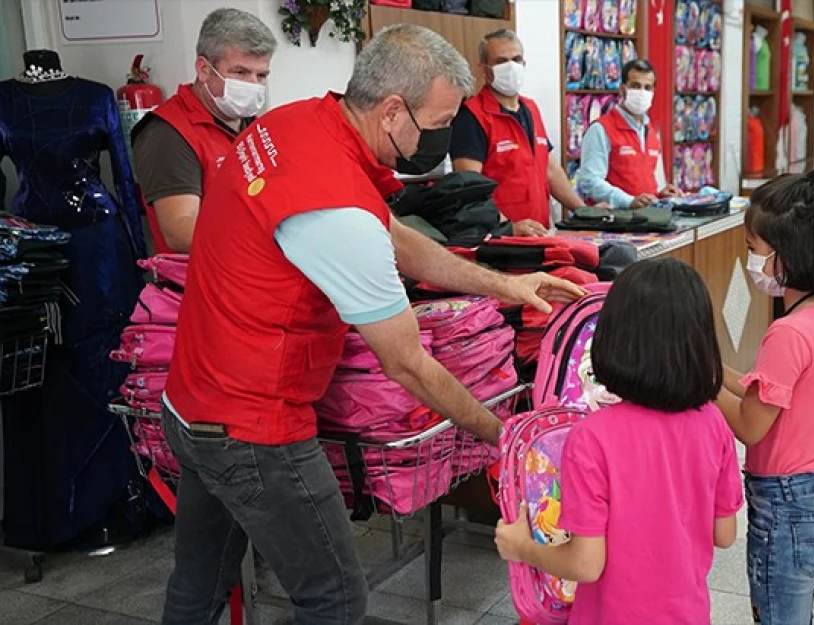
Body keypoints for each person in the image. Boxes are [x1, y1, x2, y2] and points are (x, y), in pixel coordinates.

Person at [159, 24, 586, 625]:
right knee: (333, 597)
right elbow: (407, 361)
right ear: (392, 111)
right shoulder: (333, 206)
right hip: (254, 426)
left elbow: (398, 240)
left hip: (192, 403)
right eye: (435, 123)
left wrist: (505, 283)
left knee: (199, 585)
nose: (441, 136)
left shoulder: (298, 123)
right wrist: (504, 434)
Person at [495, 257, 744, 625]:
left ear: (612, 340)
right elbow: (724, 534)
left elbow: (585, 564)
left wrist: (523, 549)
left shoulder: (592, 438)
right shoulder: (713, 423)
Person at [715, 168, 814, 625]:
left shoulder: (788, 333)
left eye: (753, 251)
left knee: (778, 614)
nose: (750, 261)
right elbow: (765, 391)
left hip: (786, 501)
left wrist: (698, 382)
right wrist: (714, 369)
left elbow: (751, 423)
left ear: (785, 254)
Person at [131, 8, 275, 253]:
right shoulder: (168, 133)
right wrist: (263, 246)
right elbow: (180, 230)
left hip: (251, 276)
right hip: (202, 281)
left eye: (261, 75)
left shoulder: (252, 122)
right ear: (204, 70)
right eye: (240, 72)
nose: (253, 85)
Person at [450, 29, 597, 238]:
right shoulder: (472, 116)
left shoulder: (530, 109)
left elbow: (549, 168)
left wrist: (584, 212)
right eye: (501, 61)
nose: (511, 67)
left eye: (516, 59)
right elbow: (469, 188)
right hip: (500, 240)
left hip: (539, 235)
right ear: (483, 68)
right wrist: (507, 227)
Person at [578, 59, 682, 208]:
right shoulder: (601, 129)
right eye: (635, 86)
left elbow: (643, 182)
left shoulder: (650, 131)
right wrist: (628, 201)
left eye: (647, 88)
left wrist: (660, 194)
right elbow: (590, 181)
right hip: (615, 223)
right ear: (622, 89)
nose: (642, 92)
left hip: (647, 220)